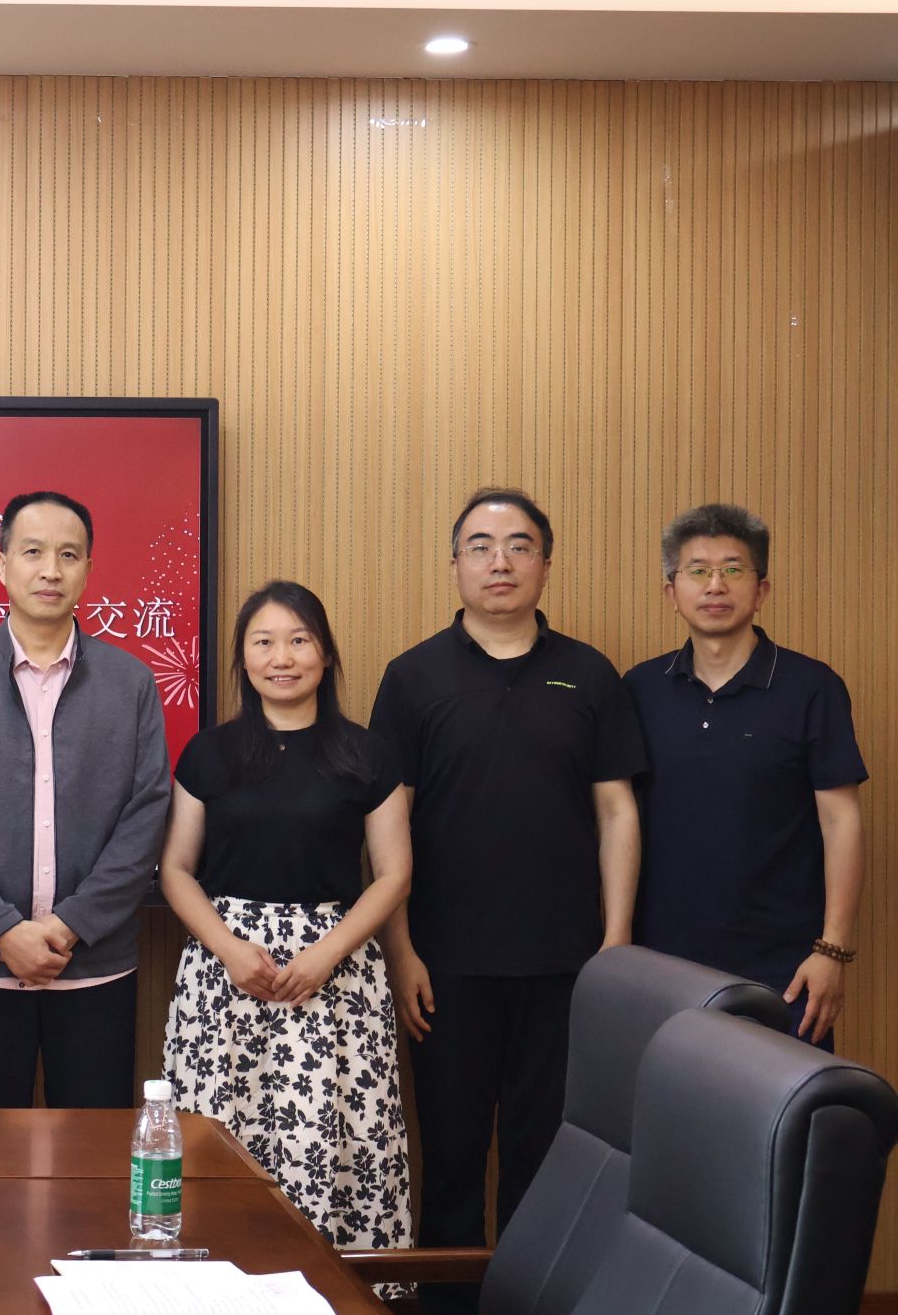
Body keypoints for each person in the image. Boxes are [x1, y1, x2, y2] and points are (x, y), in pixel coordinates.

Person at [370, 488, 645, 1315]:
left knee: (547, 1158)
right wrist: (401, 950)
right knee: (452, 1157)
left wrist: (616, 941)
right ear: (455, 564)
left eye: (519, 545)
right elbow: (387, 824)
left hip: (566, 963)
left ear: (545, 565)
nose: (501, 561)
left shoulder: (590, 673)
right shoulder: (412, 677)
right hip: (444, 966)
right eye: (481, 546)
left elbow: (617, 811)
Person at [159, 580, 412, 1250]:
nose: (282, 657)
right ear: (242, 658)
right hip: (227, 975)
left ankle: (338, 1284)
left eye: (299, 640)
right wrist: (229, 949)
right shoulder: (209, 753)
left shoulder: (367, 754)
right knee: (220, 1138)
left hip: (335, 973)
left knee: (333, 1141)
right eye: (264, 642)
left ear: (325, 654)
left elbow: (393, 874)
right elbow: (175, 869)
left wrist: (326, 953)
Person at [0, 490, 169, 1108]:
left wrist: (70, 925)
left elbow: (146, 816)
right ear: (3, 566)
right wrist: (2, 930)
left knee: (91, 1154)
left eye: (68, 555)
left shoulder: (131, 682)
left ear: (88, 570)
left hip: (95, 967)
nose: (51, 570)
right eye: (32, 552)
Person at [625, 503, 866, 1049]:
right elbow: (619, 820)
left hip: (784, 969)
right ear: (672, 592)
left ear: (761, 591)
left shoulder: (812, 688)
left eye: (733, 570)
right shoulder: (639, 689)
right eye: (698, 570)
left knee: (781, 1103)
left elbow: (842, 822)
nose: (716, 585)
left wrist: (832, 951)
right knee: (670, 1100)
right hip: (661, 963)